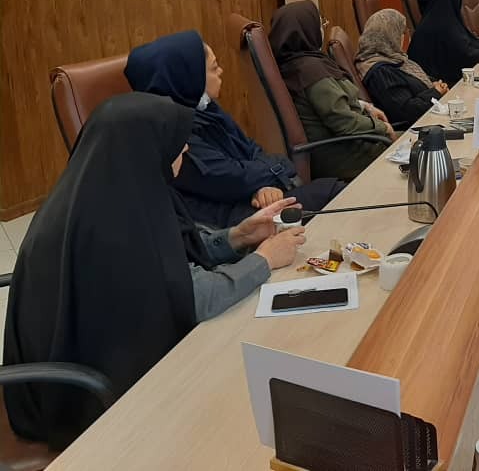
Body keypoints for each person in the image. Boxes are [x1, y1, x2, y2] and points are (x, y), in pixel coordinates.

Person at [3, 93, 305, 449]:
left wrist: (239, 236)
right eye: (177, 145)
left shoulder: (110, 187)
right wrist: (266, 259)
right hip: (79, 398)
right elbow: (194, 298)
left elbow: (166, 252)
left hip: (98, 351)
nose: (185, 152)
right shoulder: (112, 227)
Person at [125, 30, 346, 227]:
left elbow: (251, 149)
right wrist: (270, 177)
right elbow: (230, 179)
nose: (221, 71)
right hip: (227, 220)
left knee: (333, 192)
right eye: (213, 68)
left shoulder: (206, 108)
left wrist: (265, 182)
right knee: (333, 193)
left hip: (249, 198)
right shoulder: (176, 133)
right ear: (189, 78)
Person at [269, 0, 394, 181]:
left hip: (345, 145)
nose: (322, 28)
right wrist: (383, 128)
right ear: (306, 30)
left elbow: (325, 103)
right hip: (346, 155)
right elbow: (344, 123)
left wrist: (364, 105)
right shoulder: (311, 70)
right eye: (320, 23)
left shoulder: (298, 63)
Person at [356, 9, 448, 128]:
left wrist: (433, 84)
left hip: (430, 116)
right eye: (403, 31)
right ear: (391, 36)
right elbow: (407, 112)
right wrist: (435, 92)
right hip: (413, 130)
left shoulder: (394, 59)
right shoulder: (380, 72)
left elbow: (410, 83)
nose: (406, 35)